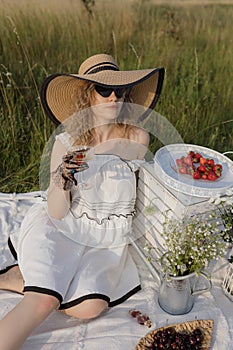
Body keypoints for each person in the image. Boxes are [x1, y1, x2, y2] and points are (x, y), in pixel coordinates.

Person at [0, 53, 164, 349]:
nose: (114, 96)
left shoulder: (137, 138)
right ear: (88, 96)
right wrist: (62, 180)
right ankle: (34, 283)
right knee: (43, 300)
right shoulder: (66, 142)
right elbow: (57, 211)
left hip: (104, 234)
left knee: (88, 309)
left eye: (120, 90)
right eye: (104, 89)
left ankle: (22, 276)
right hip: (63, 225)